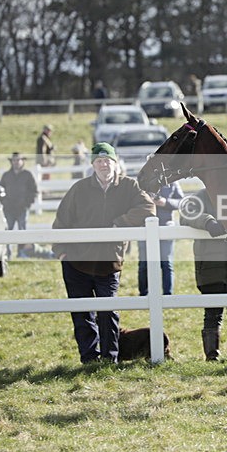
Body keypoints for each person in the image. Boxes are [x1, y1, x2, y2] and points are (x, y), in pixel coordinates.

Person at [52, 142, 155, 364]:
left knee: (109, 311)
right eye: (99, 161)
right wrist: (62, 253)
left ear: (115, 163)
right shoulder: (79, 189)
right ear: (93, 165)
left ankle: (110, 358)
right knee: (82, 314)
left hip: (110, 263)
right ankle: (89, 359)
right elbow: (61, 222)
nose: (103, 165)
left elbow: (148, 208)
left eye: (107, 160)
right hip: (76, 263)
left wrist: (121, 222)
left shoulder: (129, 187)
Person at [180, 188, 227, 361]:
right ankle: (212, 356)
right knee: (212, 314)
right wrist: (207, 222)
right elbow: (186, 214)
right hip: (210, 267)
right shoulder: (201, 196)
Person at [137, 181, 184, 296]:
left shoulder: (172, 182)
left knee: (166, 263)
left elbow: (182, 202)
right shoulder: (141, 182)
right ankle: (143, 294)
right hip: (144, 227)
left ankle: (167, 294)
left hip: (166, 227)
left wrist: (165, 202)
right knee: (144, 263)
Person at [0, 153, 38, 256]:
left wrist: (27, 204)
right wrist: (5, 203)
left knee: (22, 231)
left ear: (22, 161)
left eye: (18, 160)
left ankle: (22, 253)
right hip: (9, 209)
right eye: (14, 160)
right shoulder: (6, 176)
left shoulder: (27, 175)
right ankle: (7, 254)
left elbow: (33, 191)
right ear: (11, 162)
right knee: (8, 231)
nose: (16, 162)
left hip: (22, 208)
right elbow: (1, 192)